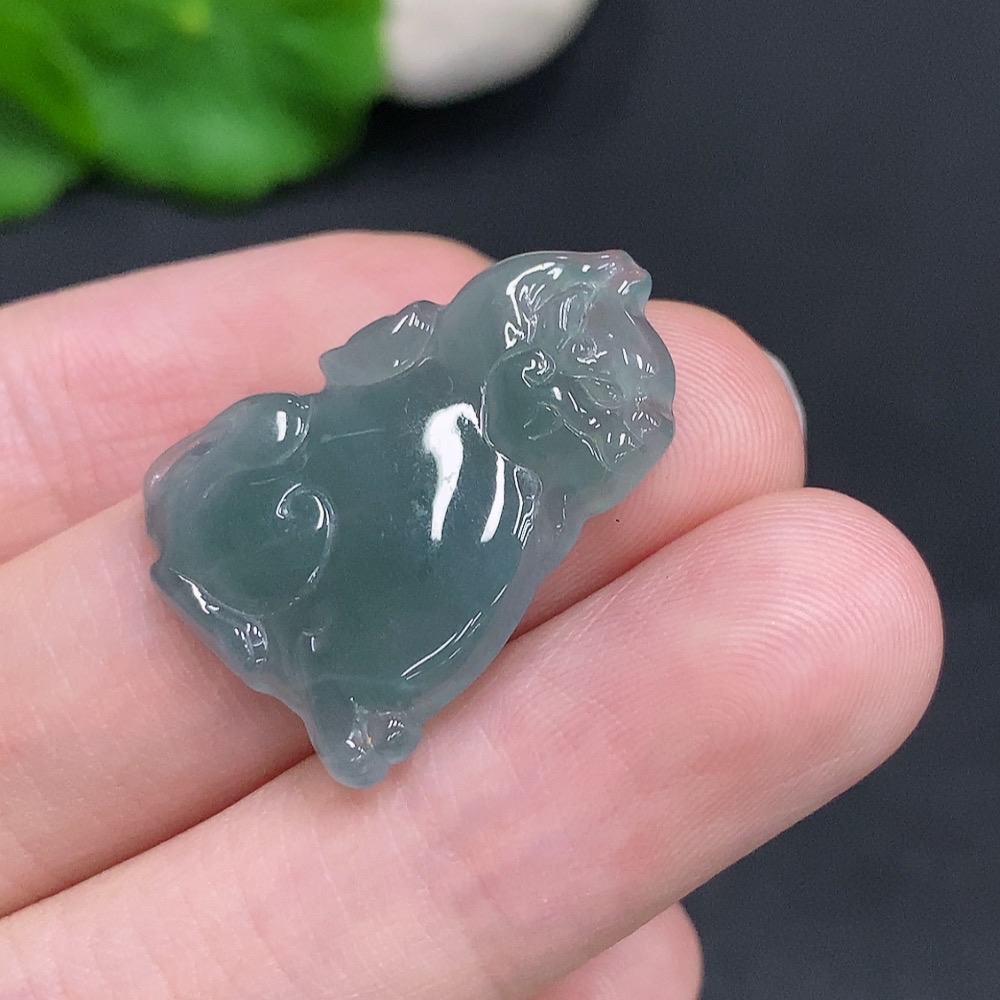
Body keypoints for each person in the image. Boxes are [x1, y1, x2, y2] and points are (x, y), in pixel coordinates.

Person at [0, 232, 943, 999]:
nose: (564, 392)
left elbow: (463, 620)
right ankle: (262, 614)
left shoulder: (529, 508)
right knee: (279, 474)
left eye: (599, 403)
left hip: (387, 602)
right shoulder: (436, 360)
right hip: (290, 494)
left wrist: (374, 695)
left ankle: (341, 690)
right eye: (569, 365)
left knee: (421, 630)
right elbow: (345, 369)